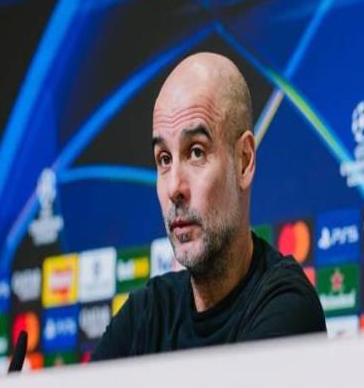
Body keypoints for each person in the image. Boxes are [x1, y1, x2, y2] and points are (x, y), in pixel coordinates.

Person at [91, 52, 326, 360]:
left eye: (196, 152)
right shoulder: (145, 317)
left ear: (244, 162)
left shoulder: (287, 306)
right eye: (164, 159)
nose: (174, 188)